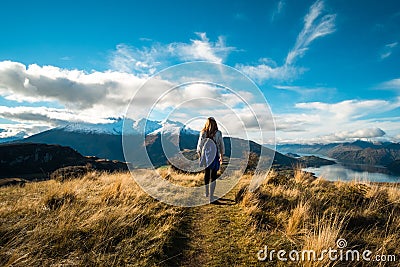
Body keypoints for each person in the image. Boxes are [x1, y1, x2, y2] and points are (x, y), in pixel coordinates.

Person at [197, 117, 224, 203]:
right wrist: (221, 156)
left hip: (205, 155)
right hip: (214, 154)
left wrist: (200, 155)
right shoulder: (218, 133)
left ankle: (206, 193)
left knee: (207, 174)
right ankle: (211, 197)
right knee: (213, 176)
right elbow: (221, 145)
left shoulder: (203, 132)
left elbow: (200, 145)